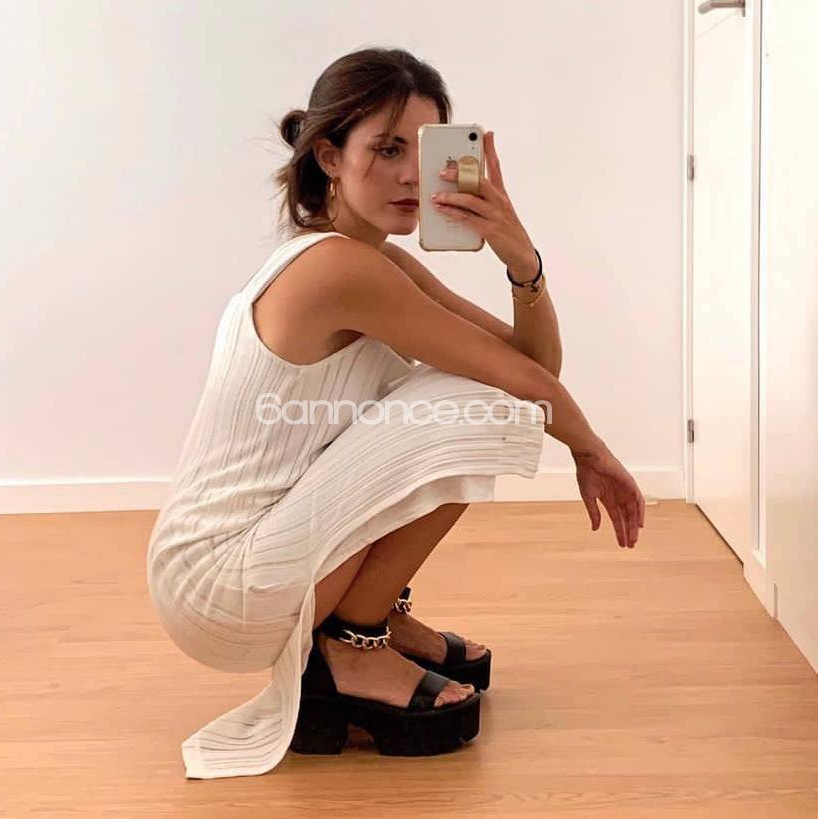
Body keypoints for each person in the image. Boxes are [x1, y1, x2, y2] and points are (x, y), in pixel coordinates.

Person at [146, 46, 645, 779]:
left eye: (426, 150)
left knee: (482, 393)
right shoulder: (337, 269)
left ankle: (372, 616)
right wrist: (591, 449)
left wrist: (519, 258)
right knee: (478, 399)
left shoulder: (369, 260)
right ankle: (354, 641)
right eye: (386, 150)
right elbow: (519, 381)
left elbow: (531, 364)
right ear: (329, 156)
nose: (413, 174)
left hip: (237, 563)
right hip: (220, 584)